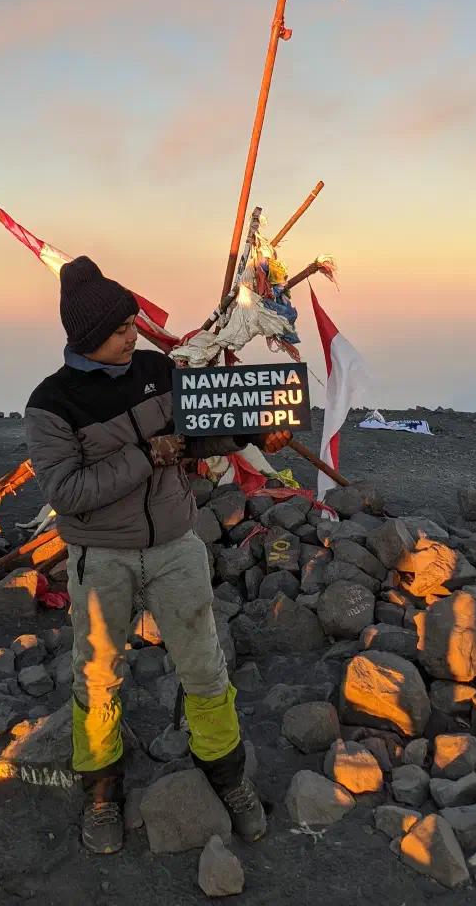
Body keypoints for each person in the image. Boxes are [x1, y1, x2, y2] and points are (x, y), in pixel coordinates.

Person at [25, 256, 290, 854]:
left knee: (204, 666)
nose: (134, 334)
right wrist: (148, 455)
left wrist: (255, 433)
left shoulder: (157, 371)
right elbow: (67, 492)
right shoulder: (51, 403)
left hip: (175, 546)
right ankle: (101, 795)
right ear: (89, 335)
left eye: (132, 323)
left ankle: (227, 777)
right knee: (98, 678)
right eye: (122, 328)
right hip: (102, 558)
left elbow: (199, 434)